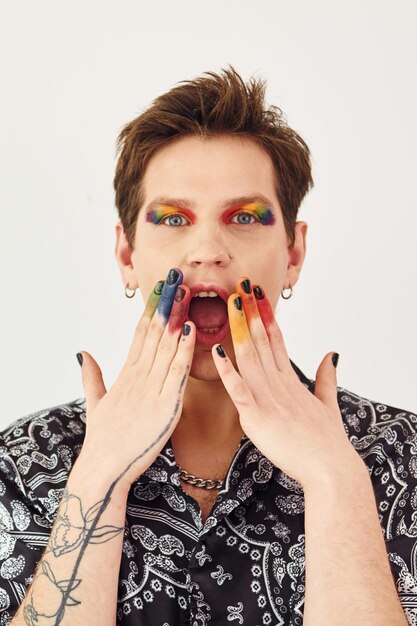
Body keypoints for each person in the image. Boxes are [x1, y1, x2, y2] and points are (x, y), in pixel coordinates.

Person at [0, 67, 415, 626]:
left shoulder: (399, 456)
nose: (207, 250)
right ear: (127, 255)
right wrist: (98, 476)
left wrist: (334, 479)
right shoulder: (23, 465)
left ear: (293, 252)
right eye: (173, 219)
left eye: (244, 217)